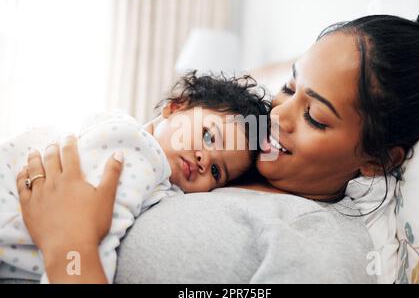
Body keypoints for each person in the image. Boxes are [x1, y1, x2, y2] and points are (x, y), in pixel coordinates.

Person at [14, 0, 419, 283]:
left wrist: (68, 248)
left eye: (315, 116)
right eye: (289, 86)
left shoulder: (319, 252)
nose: (277, 116)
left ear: (378, 159)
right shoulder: (239, 159)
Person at [0, 72, 270, 282]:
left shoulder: (159, 177)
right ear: (175, 108)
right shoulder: (140, 150)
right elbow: (98, 239)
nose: (205, 160)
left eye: (216, 171)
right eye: (208, 136)